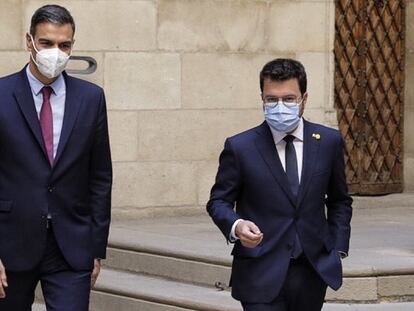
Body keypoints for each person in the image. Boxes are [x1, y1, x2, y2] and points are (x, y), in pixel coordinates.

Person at [207, 58, 352, 311]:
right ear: (262, 99)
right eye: (271, 99)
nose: (279, 106)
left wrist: (337, 248)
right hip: (259, 269)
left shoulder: (328, 141)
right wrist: (236, 225)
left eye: (288, 99)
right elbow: (218, 201)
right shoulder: (240, 147)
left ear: (303, 100)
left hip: (312, 270)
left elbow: (340, 201)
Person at [0, 5, 112, 311]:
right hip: (10, 242)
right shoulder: (1, 94)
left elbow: (100, 176)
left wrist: (96, 247)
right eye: (47, 43)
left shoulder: (91, 99)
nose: (56, 52)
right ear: (29, 41)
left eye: (64, 45)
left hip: (71, 245)